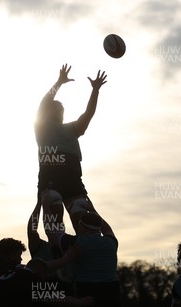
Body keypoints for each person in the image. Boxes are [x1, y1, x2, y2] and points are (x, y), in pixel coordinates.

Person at [35, 64, 107, 232]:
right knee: (54, 214)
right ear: (47, 112)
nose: (59, 111)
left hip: (72, 174)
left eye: (61, 109)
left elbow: (88, 114)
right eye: (55, 109)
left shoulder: (72, 129)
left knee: (81, 213)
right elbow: (44, 102)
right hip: (50, 172)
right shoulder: (42, 126)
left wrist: (95, 90)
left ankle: (86, 245)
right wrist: (59, 82)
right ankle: (58, 248)